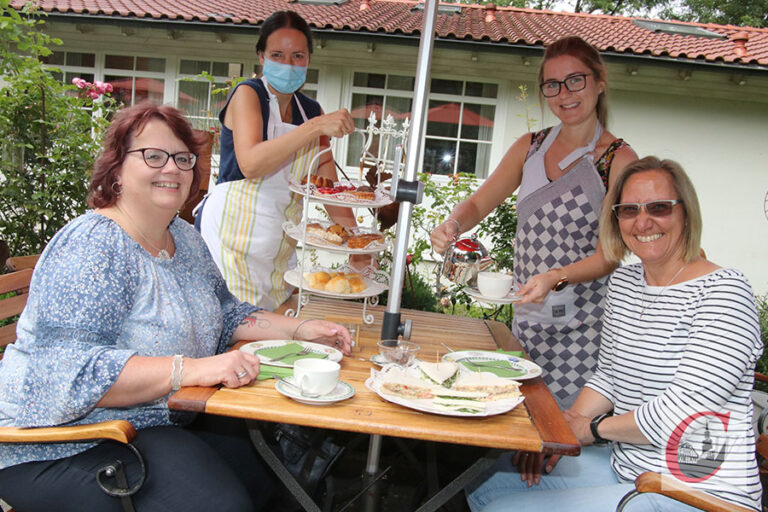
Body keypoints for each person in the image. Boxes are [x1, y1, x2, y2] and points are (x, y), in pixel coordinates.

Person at [0, 102, 352, 511]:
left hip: (150, 422)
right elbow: (67, 371)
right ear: (116, 169)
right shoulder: (95, 244)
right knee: (225, 506)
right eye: (153, 155)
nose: (172, 168)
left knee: (275, 482)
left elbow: (227, 313)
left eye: (183, 158)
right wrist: (194, 368)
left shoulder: (184, 239)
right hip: (59, 443)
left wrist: (299, 329)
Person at [467, 156, 763, 511]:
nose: (643, 221)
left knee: (501, 510)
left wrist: (591, 430)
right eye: (628, 210)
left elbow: (684, 413)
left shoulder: (724, 292)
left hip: (698, 491)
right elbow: (609, 375)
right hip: (629, 468)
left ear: (686, 212)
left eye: (659, 207)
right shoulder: (624, 282)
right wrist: (562, 433)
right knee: (487, 483)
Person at [431, 36, 637, 410]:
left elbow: (609, 256)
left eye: (576, 80)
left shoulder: (617, 160)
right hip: (528, 320)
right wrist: (453, 224)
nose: (564, 93)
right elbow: (479, 202)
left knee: (563, 430)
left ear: (599, 81)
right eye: (552, 85)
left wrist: (554, 277)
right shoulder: (530, 146)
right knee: (521, 420)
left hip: (585, 331)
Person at [197, 10, 364, 311]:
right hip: (231, 239)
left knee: (275, 328)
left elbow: (328, 189)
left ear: (309, 60)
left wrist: (359, 244)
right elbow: (251, 164)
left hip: (279, 243)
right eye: (277, 54)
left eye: (297, 56)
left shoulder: (310, 110)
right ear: (261, 56)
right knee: (238, 328)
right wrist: (314, 128)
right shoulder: (248, 94)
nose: (288, 65)